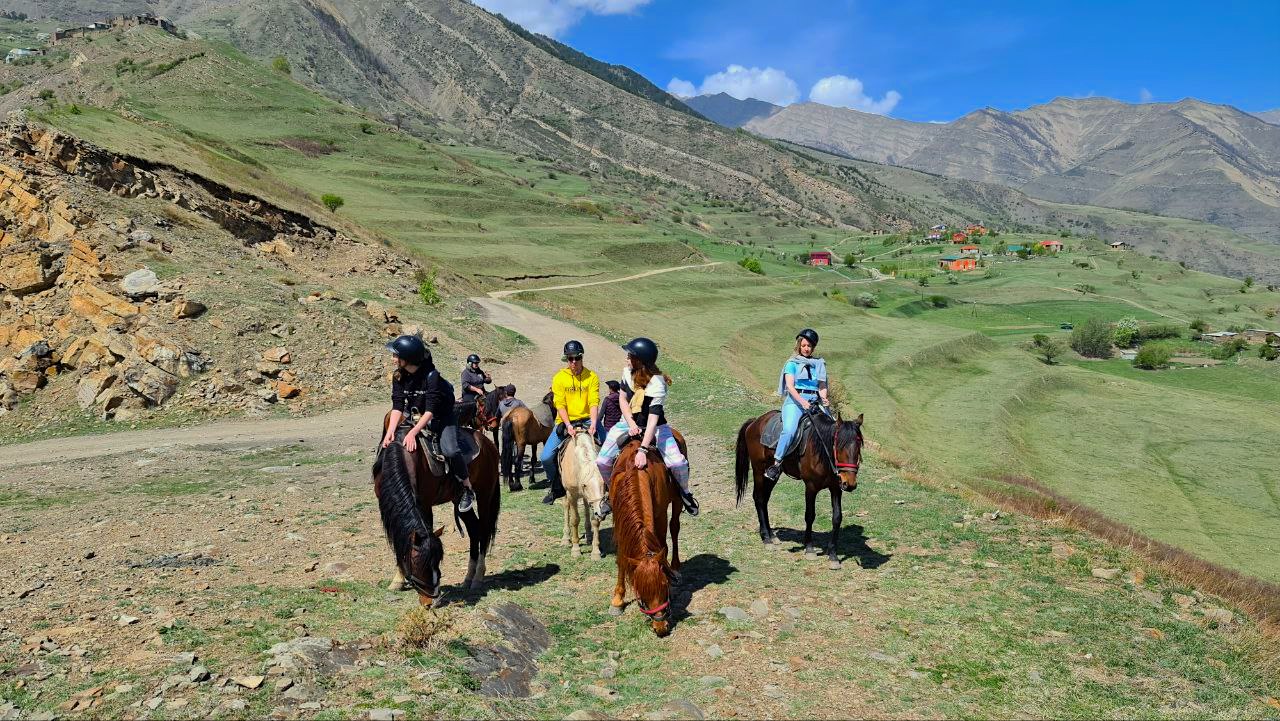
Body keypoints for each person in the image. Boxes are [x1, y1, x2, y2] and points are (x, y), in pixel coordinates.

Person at [595, 337, 698, 517]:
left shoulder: (657, 383)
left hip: (656, 426)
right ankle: (611, 494)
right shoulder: (627, 372)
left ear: (640, 361)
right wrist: (631, 423)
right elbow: (622, 399)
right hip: (626, 422)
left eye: (630, 356)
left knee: (678, 463)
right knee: (602, 461)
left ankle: (685, 493)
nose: (627, 359)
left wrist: (643, 450)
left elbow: (652, 419)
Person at [381, 335, 476, 513]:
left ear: (407, 358)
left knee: (451, 450)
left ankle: (466, 487)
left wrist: (413, 432)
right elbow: (398, 405)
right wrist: (390, 431)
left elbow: (431, 410)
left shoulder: (432, 376)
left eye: (396, 355)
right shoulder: (399, 375)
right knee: (391, 444)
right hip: (416, 415)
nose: (393, 359)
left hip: (442, 416)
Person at [763, 328, 830, 482]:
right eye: (804, 345)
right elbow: (790, 387)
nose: (807, 348)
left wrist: (824, 398)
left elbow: (822, 385)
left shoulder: (818, 364)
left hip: (815, 401)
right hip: (795, 402)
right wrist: (803, 402)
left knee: (832, 428)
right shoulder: (791, 363)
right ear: (799, 345)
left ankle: (834, 464)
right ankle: (776, 463)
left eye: (810, 346)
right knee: (789, 430)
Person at [540, 340, 600, 504]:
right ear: (566, 359)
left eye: (577, 358)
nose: (574, 362)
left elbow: (594, 401)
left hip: (588, 419)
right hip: (566, 422)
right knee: (545, 457)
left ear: (582, 357)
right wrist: (567, 425)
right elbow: (560, 404)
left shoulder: (592, 376)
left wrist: (594, 422)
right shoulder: (559, 378)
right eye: (570, 358)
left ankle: (607, 487)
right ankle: (556, 486)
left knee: (611, 451)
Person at [596, 380, 622, 444]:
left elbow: (601, 415)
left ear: (610, 389)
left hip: (608, 428)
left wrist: (595, 424)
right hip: (619, 427)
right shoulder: (622, 398)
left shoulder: (607, 399)